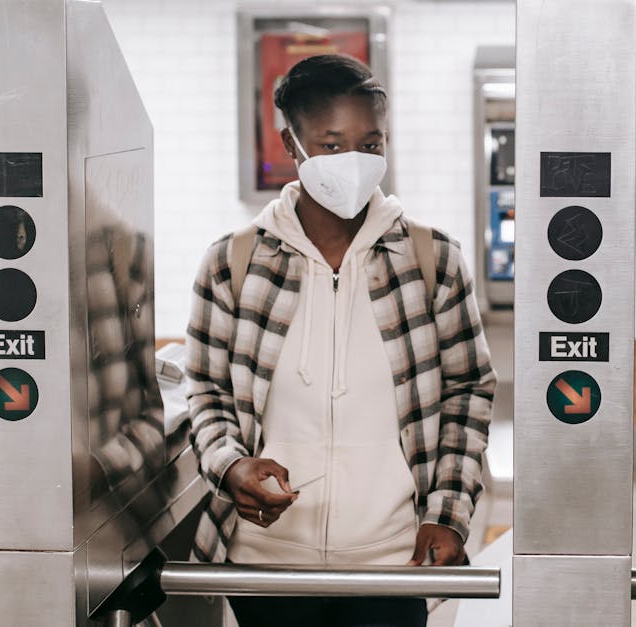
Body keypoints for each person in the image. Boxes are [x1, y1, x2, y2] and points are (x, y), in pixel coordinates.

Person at [185, 54, 496, 627]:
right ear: (291, 143)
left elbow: (468, 392)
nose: (353, 162)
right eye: (331, 146)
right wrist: (229, 467)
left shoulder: (433, 261)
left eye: (371, 145)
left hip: (390, 563)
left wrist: (449, 514)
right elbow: (205, 388)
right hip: (264, 563)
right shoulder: (233, 262)